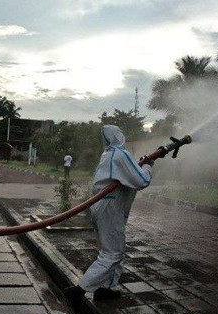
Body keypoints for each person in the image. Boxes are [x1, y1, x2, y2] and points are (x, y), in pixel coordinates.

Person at [65, 125, 155, 301]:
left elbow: (126, 175)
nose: (123, 135)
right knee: (113, 253)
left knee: (111, 250)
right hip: (110, 207)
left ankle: (106, 288)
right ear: (117, 136)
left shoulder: (108, 155)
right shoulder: (120, 154)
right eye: (120, 132)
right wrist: (149, 166)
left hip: (102, 206)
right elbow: (142, 180)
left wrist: (141, 164)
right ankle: (79, 290)